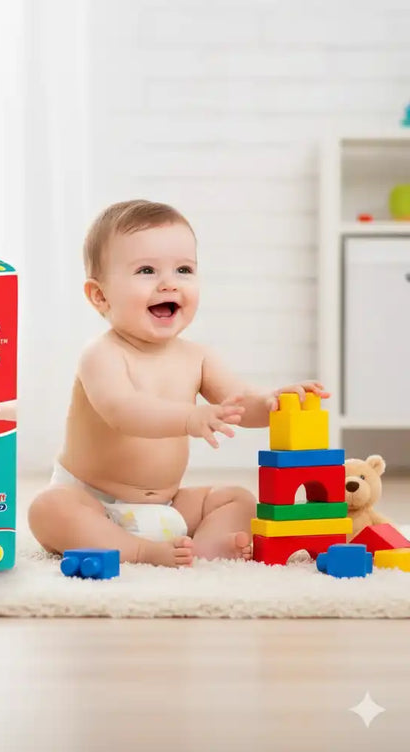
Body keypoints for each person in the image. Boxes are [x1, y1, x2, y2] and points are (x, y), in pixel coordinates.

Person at [27, 199, 329, 567]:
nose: (169, 283)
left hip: (167, 505)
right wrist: (190, 418)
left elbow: (238, 403)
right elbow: (123, 411)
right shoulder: (102, 355)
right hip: (94, 501)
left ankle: (200, 551)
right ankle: (139, 551)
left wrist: (272, 403)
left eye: (184, 269)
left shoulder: (196, 356)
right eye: (146, 271)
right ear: (100, 295)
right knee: (48, 508)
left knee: (238, 498)